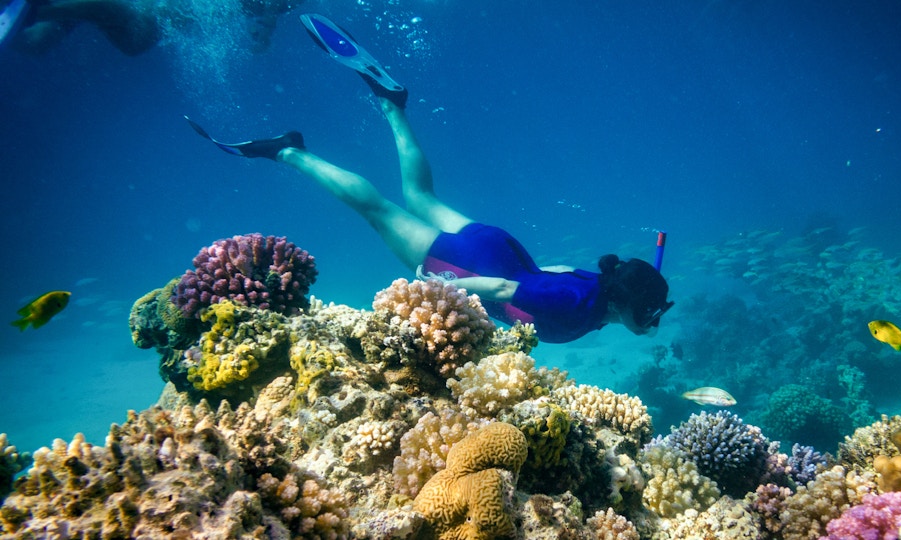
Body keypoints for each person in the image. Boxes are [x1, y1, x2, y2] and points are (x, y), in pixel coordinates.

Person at [186, 14, 673, 344]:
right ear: (630, 305)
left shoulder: (598, 288)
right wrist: (441, 283)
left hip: (500, 246)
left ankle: (392, 104)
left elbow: (562, 270)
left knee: (419, 194)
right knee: (376, 210)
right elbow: (504, 292)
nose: (654, 324)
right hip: (471, 265)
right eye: (653, 316)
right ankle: (288, 151)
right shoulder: (576, 306)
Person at [1, 0, 299, 55]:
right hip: (149, 20)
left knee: (36, 44)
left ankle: (34, 11)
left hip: (149, 27)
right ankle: (34, 12)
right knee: (37, 44)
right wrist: (263, 39)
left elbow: (270, 15)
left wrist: (263, 38)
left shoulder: (271, 5)